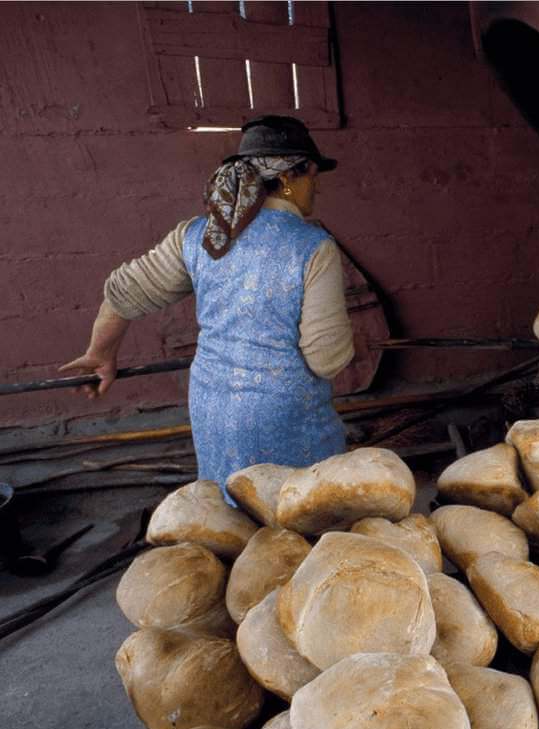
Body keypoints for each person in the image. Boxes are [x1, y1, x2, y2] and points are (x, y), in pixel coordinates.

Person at [61, 116, 354, 498]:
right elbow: (326, 359)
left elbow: (124, 291)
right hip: (284, 417)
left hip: (212, 408)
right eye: (312, 174)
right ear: (289, 177)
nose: (315, 186)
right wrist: (349, 343)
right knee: (298, 516)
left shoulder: (197, 235)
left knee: (227, 518)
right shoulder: (313, 246)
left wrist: (100, 353)